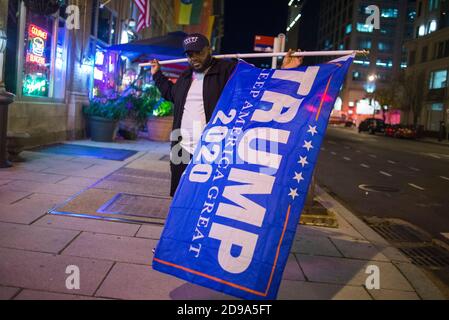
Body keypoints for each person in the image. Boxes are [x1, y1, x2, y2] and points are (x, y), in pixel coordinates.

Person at [150, 33, 303, 197]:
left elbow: (259, 84)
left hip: (211, 152)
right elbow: (171, 94)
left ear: (209, 50)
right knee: (180, 198)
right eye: (189, 54)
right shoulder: (186, 76)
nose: (194, 58)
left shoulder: (227, 70)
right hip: (182, 150)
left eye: (198, 53)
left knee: (205, 199)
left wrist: (286, 71)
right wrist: (157, 74)